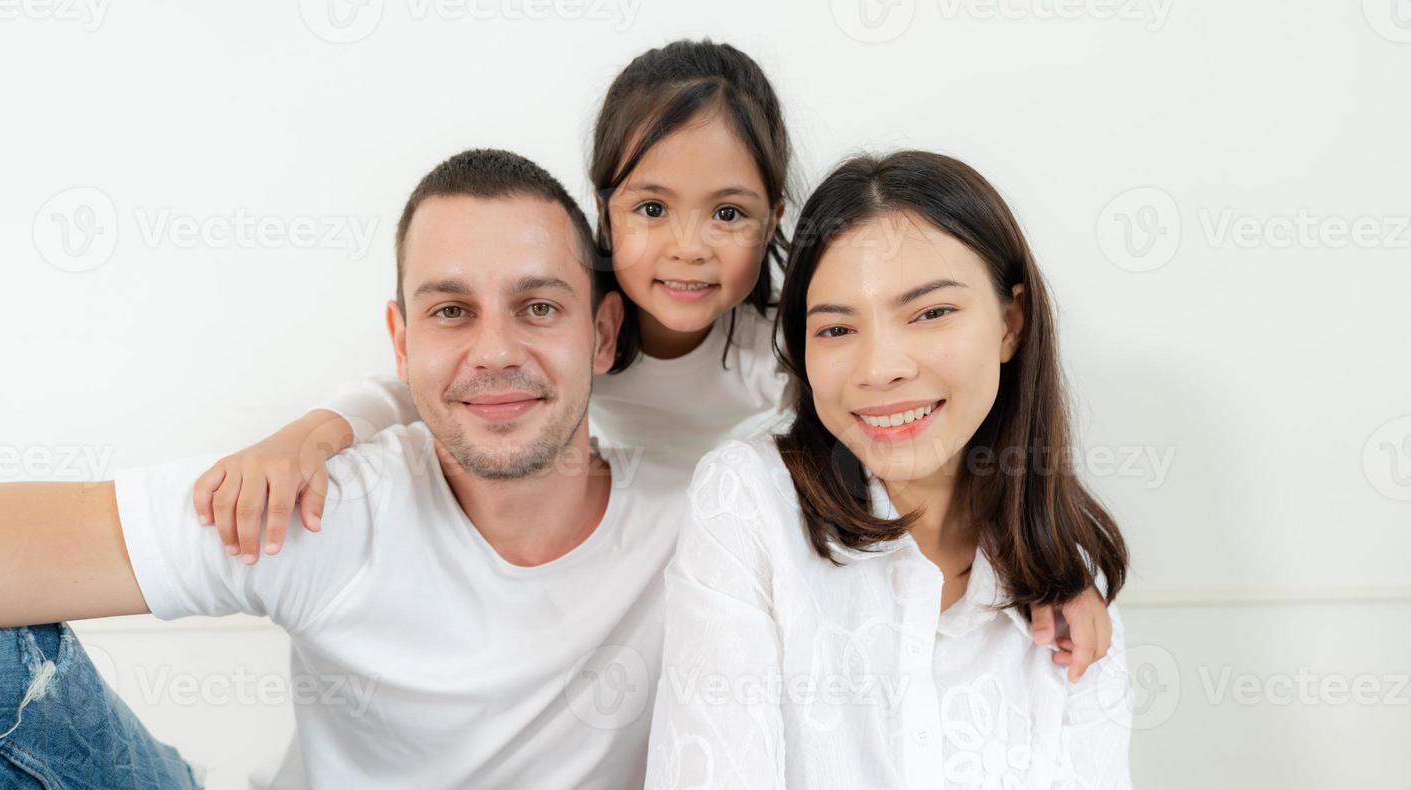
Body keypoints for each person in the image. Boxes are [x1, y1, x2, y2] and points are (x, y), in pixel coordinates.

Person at [0, 148, 692, 790]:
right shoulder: (332, 502)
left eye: (538, 306)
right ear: (401, 344)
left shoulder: (697, 533)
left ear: (604, 333)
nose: (494, 349)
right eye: (451, 311)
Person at [190, 39, 1113, 675]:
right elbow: (414, 383)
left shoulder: (775, 352)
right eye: (651, 208)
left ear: (772, 226)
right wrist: (309, 435)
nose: (688, 248)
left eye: (728, 213)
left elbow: (926, 435)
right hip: (555, 540)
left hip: (683, 568)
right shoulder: (578, 336)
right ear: (603, 212)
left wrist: (1054, 563)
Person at [614, 150, 1151, 790]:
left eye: (929, 313)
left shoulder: (1072, 590)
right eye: (836, 328)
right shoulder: (750, 508)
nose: (880, 366)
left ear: (1010, 323)